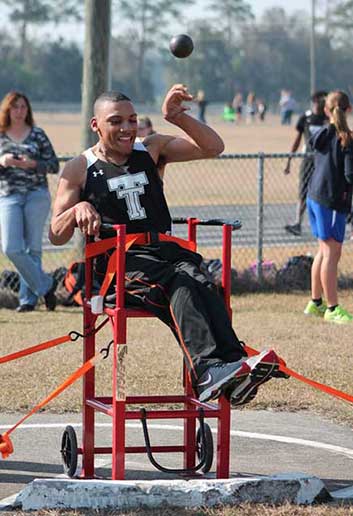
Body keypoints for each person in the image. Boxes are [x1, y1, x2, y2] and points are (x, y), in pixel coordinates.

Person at [49, 83, 281, 405]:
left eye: (132, 119)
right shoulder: (80, 168)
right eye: (116, 121)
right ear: (96, 125)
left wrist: (177, 117)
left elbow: (214, 147)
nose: (127, 128)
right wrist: (76, 210)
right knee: (178, 282)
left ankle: (234, 367)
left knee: (202, 279)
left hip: (164, 252)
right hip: (118, 266)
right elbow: (55, 234)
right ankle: (210, 369)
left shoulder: (152, 148)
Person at [0, 91, 59, 312]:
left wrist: (33, 164)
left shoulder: (37, 134)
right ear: (7, 109)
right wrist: (3, 161)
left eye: (23, 106)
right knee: (11, 247)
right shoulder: (1, 135)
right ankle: (46, 286)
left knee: (33, 249)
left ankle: (28, 300)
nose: (19, 111)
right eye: (14, 107)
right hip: (8, 195)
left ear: (28, 110)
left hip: (36, 194)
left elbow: (54, 164)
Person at [304, 90, 353, 324]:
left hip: (314, 197)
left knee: (324, 251)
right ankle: (332, 308)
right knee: (332, 253)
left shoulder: (321, 132)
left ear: (326, 110)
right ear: (349, 110)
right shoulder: (346, 138)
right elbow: (350, 174)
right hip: (331, 202)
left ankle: (315, 303)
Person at [284, 91, 328, 236]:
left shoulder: (328, 119)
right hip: (308, 161)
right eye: (318, 101)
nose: (320, 104)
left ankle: (324, 224)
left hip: (324, 161)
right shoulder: (306, 118)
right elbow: (297, 140)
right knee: (303, 191)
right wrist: (289, 160)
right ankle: (298, 222)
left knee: (325, 193)